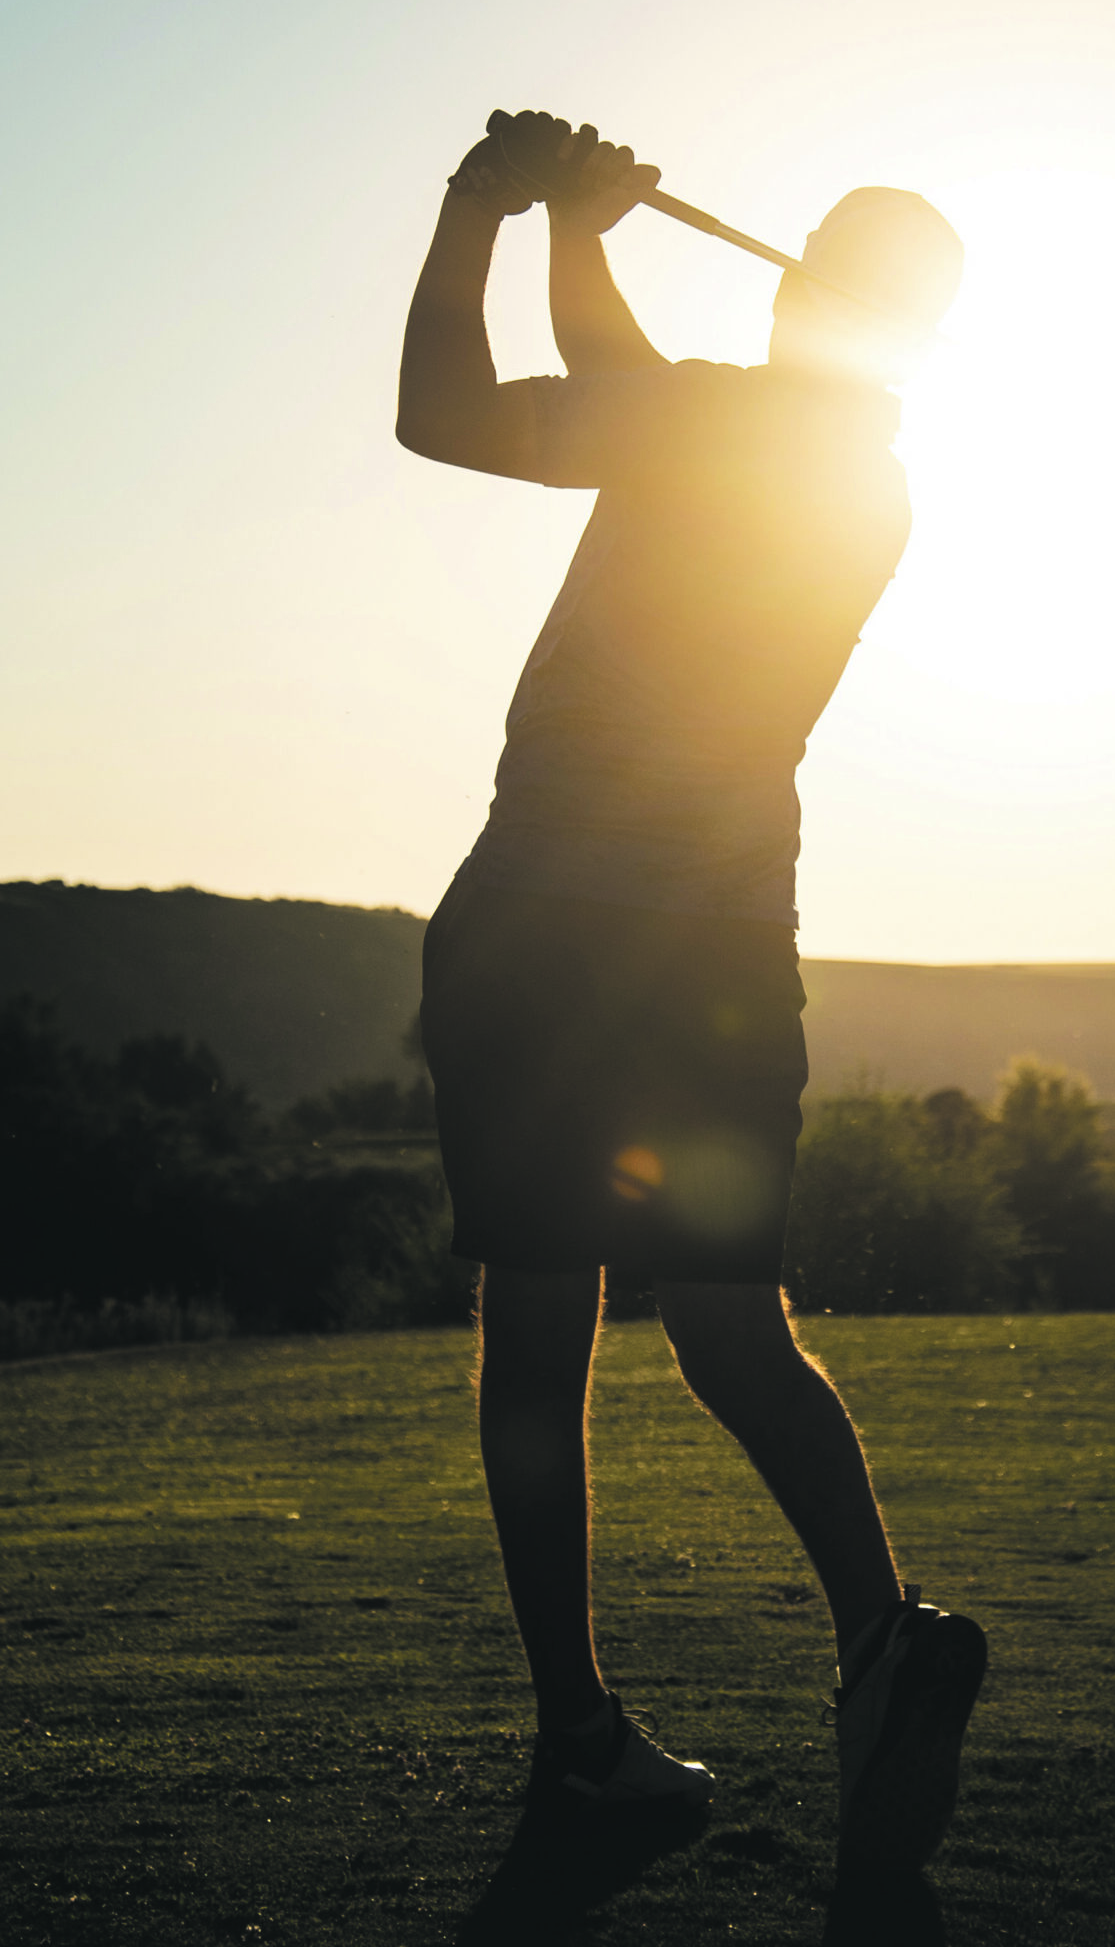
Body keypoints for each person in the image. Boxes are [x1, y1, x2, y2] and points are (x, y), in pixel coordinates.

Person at [396, 110, 986, 1868]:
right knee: (735, 1325)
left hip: (545, 931)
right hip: (721, 950)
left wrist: (485, 210)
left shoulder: (713, 418)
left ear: (808, 287)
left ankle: (577, 1735)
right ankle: (880, 1643)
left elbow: (447, 412)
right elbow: (630, 386)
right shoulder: (862, 480)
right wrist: (589, 231)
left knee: (537, 1330)